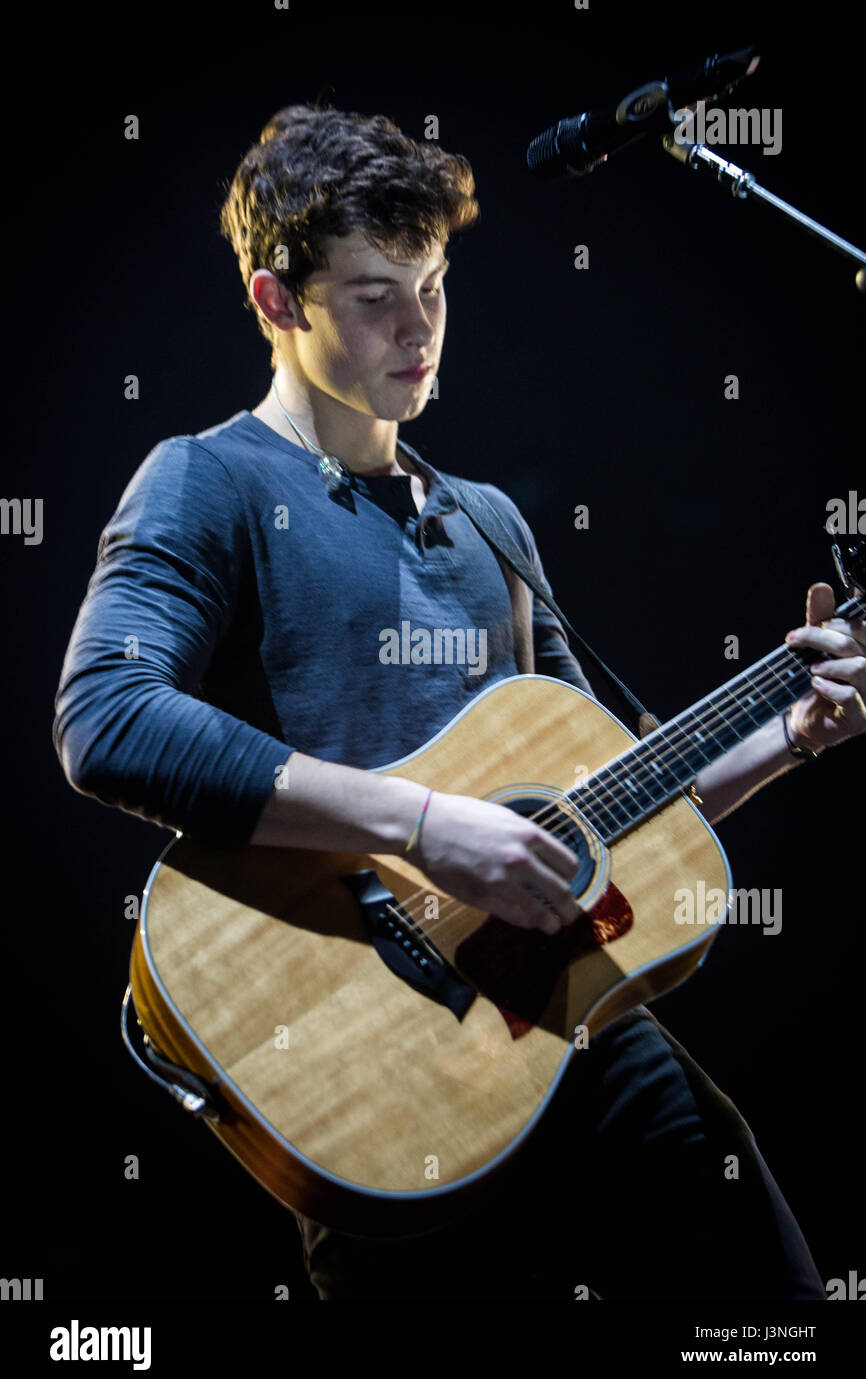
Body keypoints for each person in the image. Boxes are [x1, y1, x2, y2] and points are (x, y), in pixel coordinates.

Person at [53, 102, 866, 1301]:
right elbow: (107, 718)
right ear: (278, 303)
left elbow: (613, 800)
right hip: (362, 1071)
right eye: (375, 294)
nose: (419, 326)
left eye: (434, 285)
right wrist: (427, 824)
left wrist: (791, 736)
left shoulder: (489, 519)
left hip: (562, 1025)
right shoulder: (207, 477)